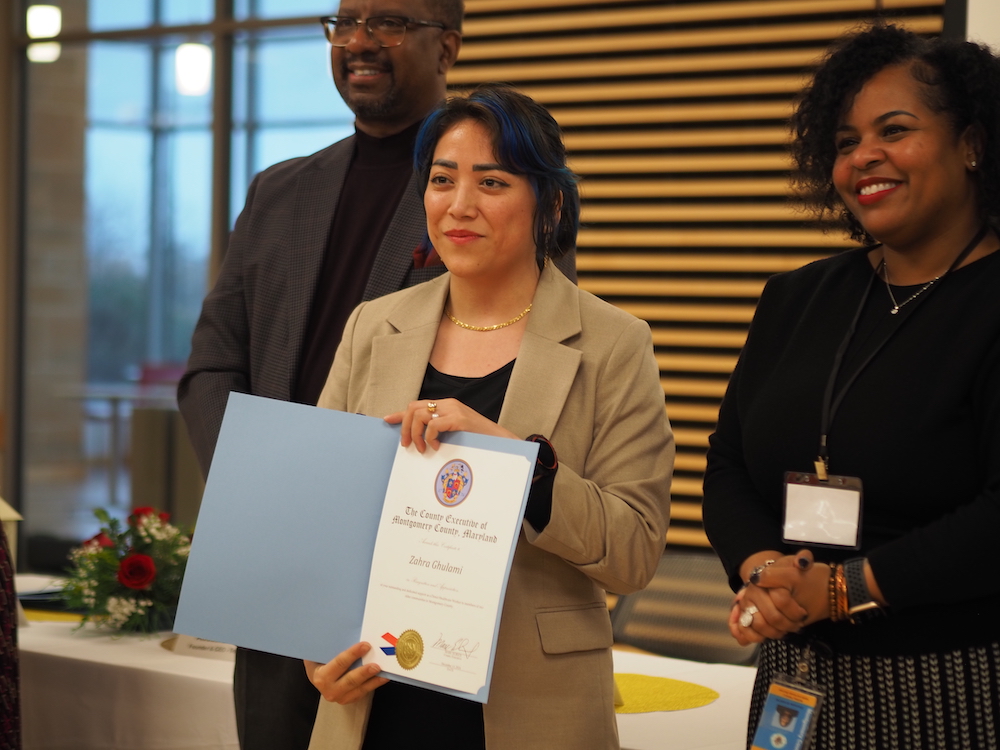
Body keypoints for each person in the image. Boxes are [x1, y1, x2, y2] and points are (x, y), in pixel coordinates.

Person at [177, 2, 517, 748]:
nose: (359, 41)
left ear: (447, 46)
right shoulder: (278, 190)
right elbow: (212, 364)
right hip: (277, 560)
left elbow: (522, 375)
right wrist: (254, 490)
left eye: (388, 21)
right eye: (345, 21)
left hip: (416, 568)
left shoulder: (493, 195)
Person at [303, 83, 674, 750]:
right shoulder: (372, 327)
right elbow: (322, 517)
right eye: (442, 180)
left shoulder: (614, 344)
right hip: (375, 701)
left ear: (550, 203)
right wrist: (316, 642)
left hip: (533, 707)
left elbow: (634, 554)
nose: (460, 205)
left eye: (493, 182)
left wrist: (519, 466)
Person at [702, 22, 1000, 749]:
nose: (863, 156)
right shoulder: (797, 298)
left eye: (894, 131)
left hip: (950, 685)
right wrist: (765, 571)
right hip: (792, 676)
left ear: (971, 143)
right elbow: (729, 464)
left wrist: (842, 590)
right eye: (844, 142)